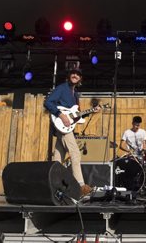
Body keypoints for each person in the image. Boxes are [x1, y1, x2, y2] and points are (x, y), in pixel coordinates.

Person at [44, 68, 97, 197]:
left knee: (58, 157)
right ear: (69, 76)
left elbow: (75, 116)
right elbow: (48, 102)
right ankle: (80, 186)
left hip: (67, 127)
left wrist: (91, 111)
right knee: (75, 153)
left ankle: (52, 185)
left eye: (78, 74)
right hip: (61, 124)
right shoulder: (62, 88)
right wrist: (61, 115)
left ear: (80, 79)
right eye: (73, 73)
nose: (75, 75)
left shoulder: (76, 94)